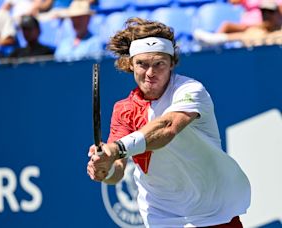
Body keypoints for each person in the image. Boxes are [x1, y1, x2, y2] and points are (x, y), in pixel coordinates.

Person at [86, 18, 251, 227]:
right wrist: (104, 167)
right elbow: (116, 170)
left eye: (159, 64)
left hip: (212, 211)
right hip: (161, 215)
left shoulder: (190, 90)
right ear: (130, 64)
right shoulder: (123, 110)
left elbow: (167, 128)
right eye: (142, 64)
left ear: (172, 63)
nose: (150, 73)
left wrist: (116, 149)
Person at [194, 0, 282, 46]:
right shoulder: (253, 32)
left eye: (271, 12)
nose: (266, 15)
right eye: (263, 12)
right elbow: (234, 1)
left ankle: (216, 40)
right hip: (253, 30)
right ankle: (216, 41)